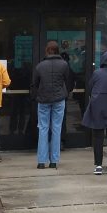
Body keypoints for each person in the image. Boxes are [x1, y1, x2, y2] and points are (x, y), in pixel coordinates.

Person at [31, 41, 75, 169]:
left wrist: (36, 97)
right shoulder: (64, 65)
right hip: (59, 99)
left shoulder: (40, 66)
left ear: (47, 51)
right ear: (57, 51)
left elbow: (34, 84)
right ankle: (54, 161)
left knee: (43, 129)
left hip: (43, 100)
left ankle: (41, 161)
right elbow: (69, 81)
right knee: (56, 129)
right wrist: (65, 93)